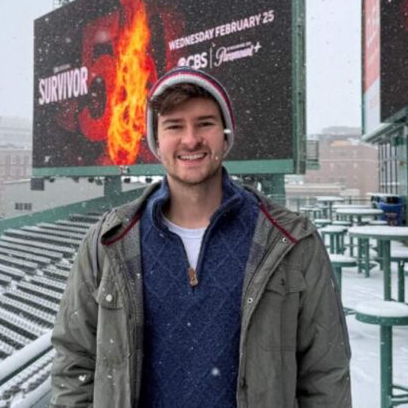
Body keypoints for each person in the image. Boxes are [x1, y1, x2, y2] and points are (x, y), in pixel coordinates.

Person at [51, 68, 352, 407]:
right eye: (174, 126)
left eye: (204, 123)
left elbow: (325, 374)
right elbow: (74, 363)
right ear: (156, 140)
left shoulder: (291, 241)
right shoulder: (108, 242)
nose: (191, 139)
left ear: (225, 135)